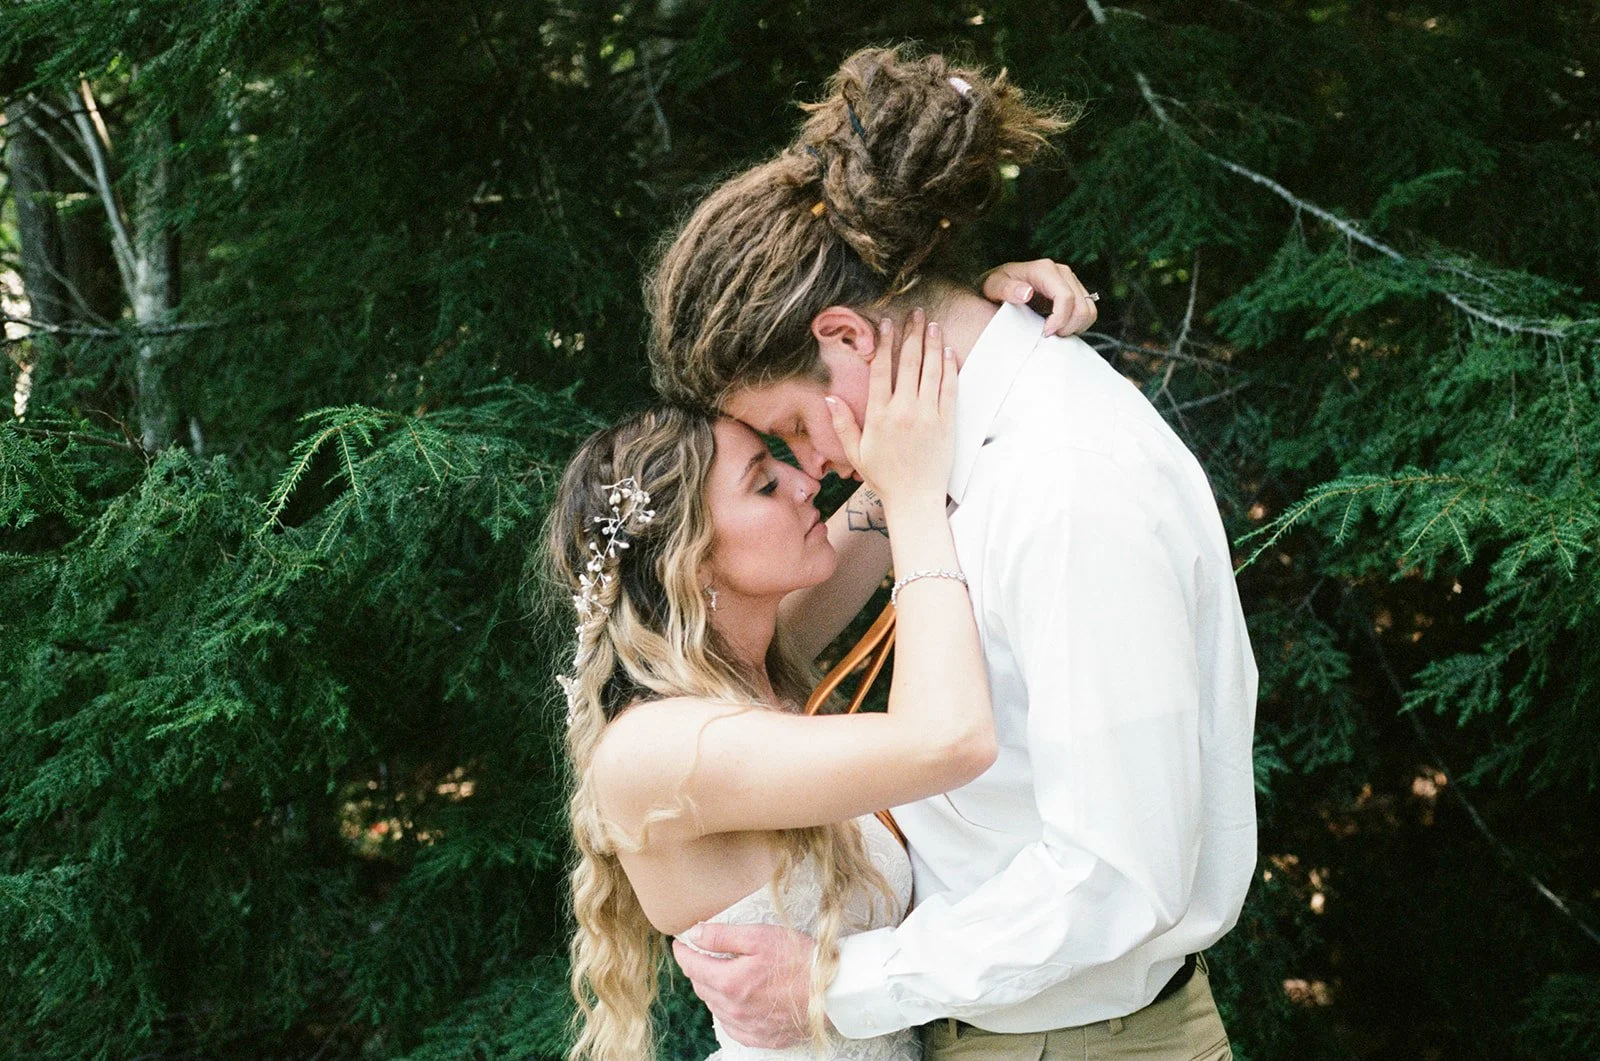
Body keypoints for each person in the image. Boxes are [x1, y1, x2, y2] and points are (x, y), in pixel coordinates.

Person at [648, 46, 1258, 1060]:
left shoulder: (1067, 487)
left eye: (794, 428)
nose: (813, 467)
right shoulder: (950, 461)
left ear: (847, 336)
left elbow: (1117, 875)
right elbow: (755, 635)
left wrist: (838, 984)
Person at [550, 299, 1095, 1060]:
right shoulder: (655, 751)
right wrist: (912, 500)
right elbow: (950, 739)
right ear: (693, 559)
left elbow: (908, 454)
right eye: (764, 485)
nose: (806, 482)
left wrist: (979, 315)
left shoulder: (748, 665)